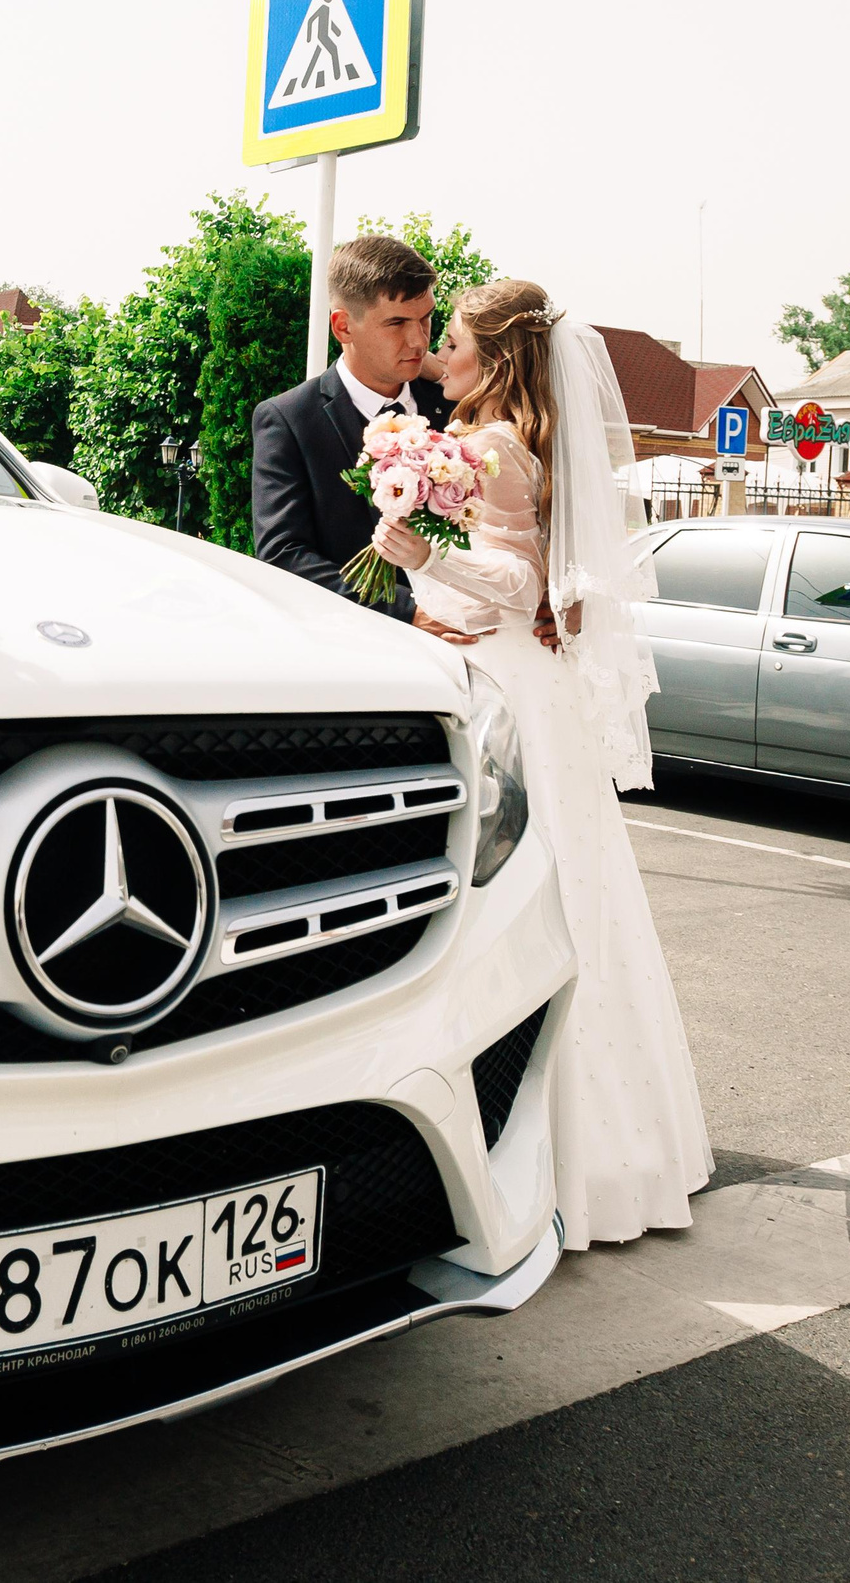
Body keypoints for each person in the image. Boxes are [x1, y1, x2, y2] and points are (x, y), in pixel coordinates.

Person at [368, 278, 712, 1248]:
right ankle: (620, 1153)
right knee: (583, 900)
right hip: (538, 683)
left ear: (496, 356)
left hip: (514, 694)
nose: (440, 356)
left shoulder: (489, 445)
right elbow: (525, 593)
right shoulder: (536, 440)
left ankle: (548, 1165)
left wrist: (416, 557)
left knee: (523, 908)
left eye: (456, 343)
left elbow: (512, 583)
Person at [251, 235, 457, 629]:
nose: (418, 339)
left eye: (426, 318)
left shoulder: (456, 403)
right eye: (396, 322)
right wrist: (407, 610)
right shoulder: (290, 419)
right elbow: (284, 554)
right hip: (361, 645)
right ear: (343, 326)